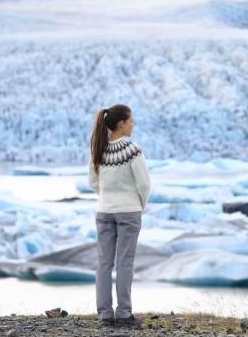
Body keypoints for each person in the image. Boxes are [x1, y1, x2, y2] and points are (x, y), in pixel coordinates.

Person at [88, 104, 151, 328]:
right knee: (125, 262)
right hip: (129, 211)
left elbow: (93, 182)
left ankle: (105, 314)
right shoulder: (132, 149)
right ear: (122, 123)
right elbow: (144, 183)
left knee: (104, 262)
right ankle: (124, 313)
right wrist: (138, 205)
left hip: (104, 211)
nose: (133, 124)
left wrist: (107, 198)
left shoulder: (99, 148)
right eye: (131, 120)